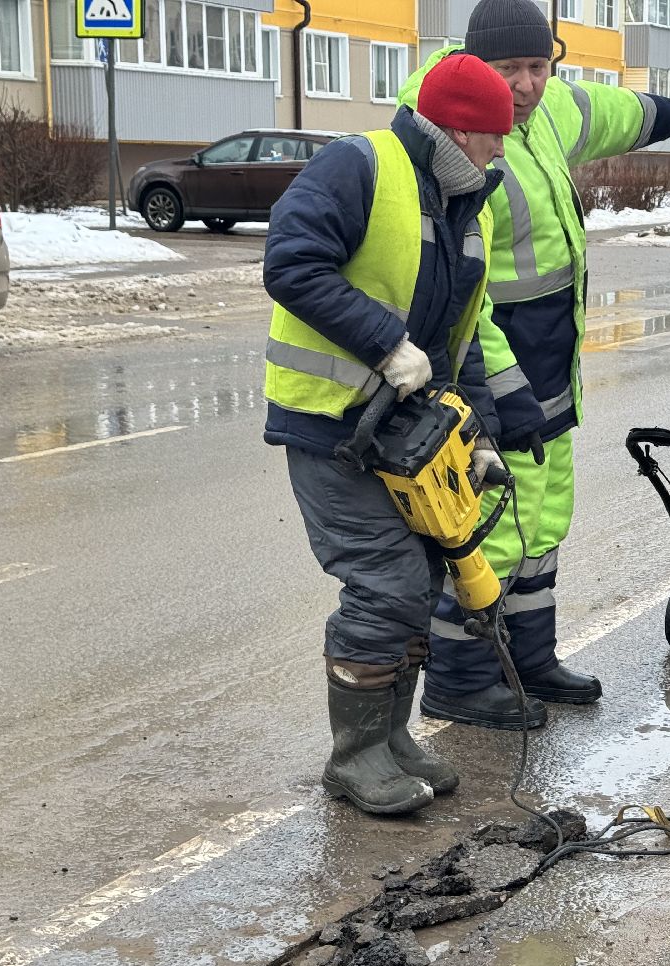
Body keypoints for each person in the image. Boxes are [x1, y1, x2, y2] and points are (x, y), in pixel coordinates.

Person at [404, 0, 670, 731]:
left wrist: (663, 110)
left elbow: (606, 110)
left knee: (546, 510)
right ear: (472, 69)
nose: (526, 85)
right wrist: (504, 391)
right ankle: (463, 679)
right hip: (484, 349)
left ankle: (530, 657)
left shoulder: (548, 105)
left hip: (552, 343)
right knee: (491, 515)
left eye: (538, 66)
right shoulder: (443, 127)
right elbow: (460, 289)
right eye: (509, 69)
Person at [262, 54, 514, 816]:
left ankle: (391, 738)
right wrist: (383, 341)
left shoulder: (472, 207)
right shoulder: (361, 164)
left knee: (422, 582)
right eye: (495, 136)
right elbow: (292, 262)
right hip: (331, 424)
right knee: (385, 583)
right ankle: (356, 756)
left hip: (407, 432)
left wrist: (481, 437)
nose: (503, 150)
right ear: (458, 131)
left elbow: (462, 344)